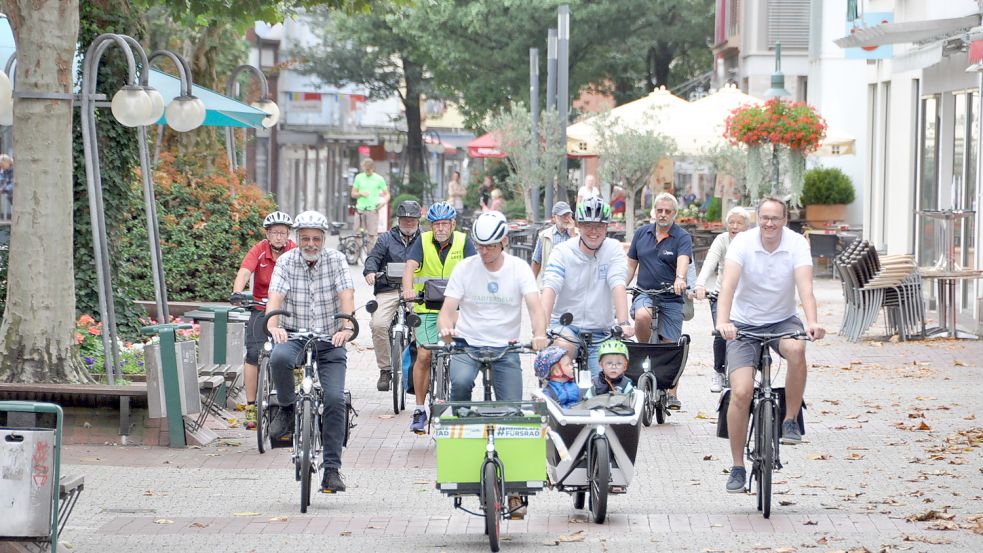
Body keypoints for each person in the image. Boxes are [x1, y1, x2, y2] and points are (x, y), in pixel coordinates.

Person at [715, 197, 825, 494]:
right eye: (764, 217)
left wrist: (812, 322)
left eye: (775, 218)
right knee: (740, 392)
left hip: (782, 320)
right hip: (743, 325)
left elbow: (805, 288)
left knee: (797, 349)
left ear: (784, 220)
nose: (769, 223)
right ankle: (737, 466)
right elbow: (728, 286)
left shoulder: (796, 244)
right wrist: (723, 322)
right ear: (757, 218)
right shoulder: (743, 243)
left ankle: (789, 420)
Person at [266, 210, 355, 493]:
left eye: (316, 238)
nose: (311, 244)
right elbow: (275, 298)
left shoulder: (337, 260)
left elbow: (346, 297)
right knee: (278, 359)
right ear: (297, 238)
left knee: (334, 399)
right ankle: (288, 409)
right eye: (305, 238)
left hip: (330, 339)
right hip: (294, 334)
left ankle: (332, 469)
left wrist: (345, 327)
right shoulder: (286, 261)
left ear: (324, 239)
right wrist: (274, 326)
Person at [438, 210, 548, 402]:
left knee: (512, 408)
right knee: (461, 383)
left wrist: (539, 334)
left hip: (505, 347)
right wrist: (446, 330)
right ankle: (462, 421)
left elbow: (535, 307)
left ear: (504, 241)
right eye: (479, 245)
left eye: (490, 246)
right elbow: (446, 312)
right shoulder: (464, 268)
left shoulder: (519, 268)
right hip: (467, 344)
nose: (484, 252)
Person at [401, 201, 476, 434]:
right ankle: (420, 409)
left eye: (445, 224)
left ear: (453, 224)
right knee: (424, 354)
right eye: (436, 224)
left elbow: (476, 269)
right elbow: (409, 268)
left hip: (457, 311)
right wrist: (408, 290)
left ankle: (459, 405)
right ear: (431, 226)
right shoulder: (422, 241)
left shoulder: (464, 242)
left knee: (460, 356)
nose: (440, 228)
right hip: (427, 309)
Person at [541, 196, 634, 377]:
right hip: (565, 327)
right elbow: (550, 288)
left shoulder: (613, 249)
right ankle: (559, 397)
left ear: (607, 227)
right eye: (587, 225)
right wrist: (540, 330)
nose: (593, 231)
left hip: (601, 330)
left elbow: (618, 284)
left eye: (599, 226)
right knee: (561, 356)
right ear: (578, 225)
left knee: (608, 381)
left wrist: (623, 322)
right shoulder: (562, 251)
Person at [626, 192, 692, 411]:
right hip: (644, 292)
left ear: (674, 213)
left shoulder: (681, 237)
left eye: (668, 211)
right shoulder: (641, 233)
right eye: (660, 210)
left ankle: (671, 390)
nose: (663, 215)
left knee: (670, 346)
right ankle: (645, 350)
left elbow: (683, 261)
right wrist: (619, 286)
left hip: (671, 297)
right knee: (643, 316)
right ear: (654, 211)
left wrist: (680, 280)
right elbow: (630, 265)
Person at [231, 211, 296, 428]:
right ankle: (251, 407)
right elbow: (245, 271)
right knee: (252, 354)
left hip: (287, 309)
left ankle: (289, 400)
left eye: (283, 232)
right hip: (261, 306)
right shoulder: (259, 250)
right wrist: (237, 292)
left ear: (288, 234)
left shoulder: (294, 251)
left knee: (292, 352)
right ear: (267, 233)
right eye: (274, 232)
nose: (279, 237)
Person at [363, 200, 422, 392]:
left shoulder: (425, 240)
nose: (409, 224)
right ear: (398, 221)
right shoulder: (385, 239)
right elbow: (374, 257)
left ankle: (418, 365)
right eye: (405, 220)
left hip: (414, 291)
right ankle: (385, 369)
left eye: (412, 221)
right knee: (378, 324)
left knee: (421, 323)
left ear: (418, 221)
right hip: (388, 289)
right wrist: (370, 271)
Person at [693, 206, 751, 393]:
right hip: (720, 295)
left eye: (738, 223)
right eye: (731, 223)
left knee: (748, 334)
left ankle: (747, 371)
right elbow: (710, 262)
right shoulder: (722, 240)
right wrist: (700, 284)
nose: (734, 226)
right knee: (721, 332)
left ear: (747, 226)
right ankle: (718, 371)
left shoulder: (753, 242)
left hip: (745, 297)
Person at [531, 201, 577, 284]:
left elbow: (580, 257)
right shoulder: (544, 235)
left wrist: (573, 234)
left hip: (571, 282)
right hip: (550, 282)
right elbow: (537, 261)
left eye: (568, 215)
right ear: (554, 218)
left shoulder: (578, 235)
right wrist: (531, 285)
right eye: (563, 216)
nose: (567, 219)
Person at [350, 158, 390, 252]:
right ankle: (356, 255)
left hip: (373, 210)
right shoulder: (359, 177)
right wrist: (361, 194)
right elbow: (353, 194)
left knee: (371, 235)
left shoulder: (379, 179)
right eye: (365, 169)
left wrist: (383, 203)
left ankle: (370, 256)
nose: (367, 172)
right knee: (357, 233)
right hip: (360, 209)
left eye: (369, 170)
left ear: (372, 168)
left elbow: (387, 194)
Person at [0, 154, 12, 219]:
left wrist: (4, 189)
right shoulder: (3, 170)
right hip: (9, 195)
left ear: (7, 162)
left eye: (2, 165)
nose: (2, 167)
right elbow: (1, 178)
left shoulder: (14, 168)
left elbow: (14, 184)